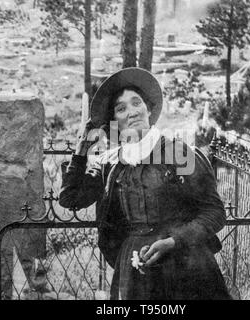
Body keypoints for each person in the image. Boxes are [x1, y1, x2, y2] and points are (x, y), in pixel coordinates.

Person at [59, 67, 231, 300]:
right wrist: (82, 148)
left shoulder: (179, 153)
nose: (131, 112)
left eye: (136, 103)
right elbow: (70, 199)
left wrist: (173, 241)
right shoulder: (110, 164)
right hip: (135, 269)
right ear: (113, 121)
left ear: (149, 109)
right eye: (121, 108)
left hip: (186, 265)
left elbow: (214, 212)